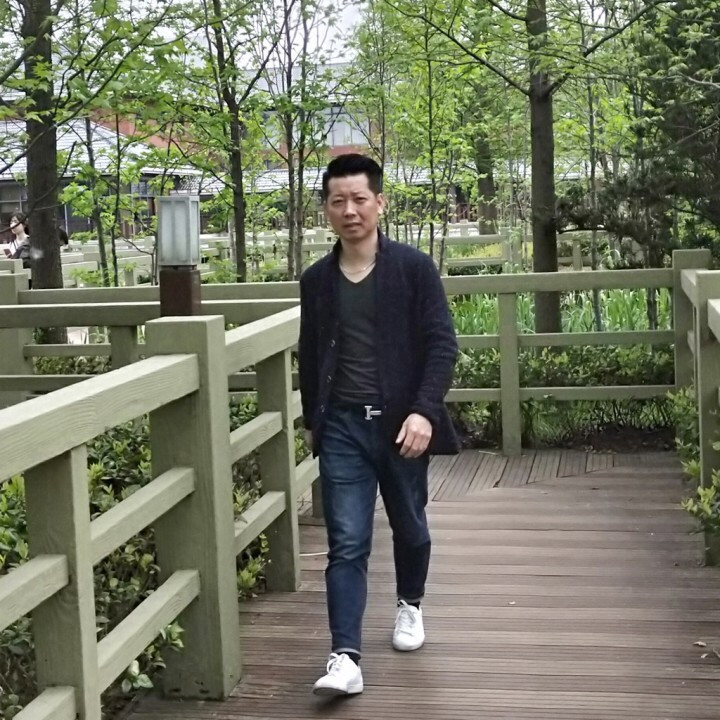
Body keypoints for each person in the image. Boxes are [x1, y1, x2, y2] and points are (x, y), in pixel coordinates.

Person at [298, 154, 459, 697]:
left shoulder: (413, 269)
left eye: (359, 199)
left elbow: (441, 345)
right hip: (342, 425)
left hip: (400, 423)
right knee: (346, 540)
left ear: (379, 203)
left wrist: (424, 410)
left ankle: (410, 603)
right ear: (326, 209)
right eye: (338, 201)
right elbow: (311, 353)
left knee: (410, 525)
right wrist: (314, 420)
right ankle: (344, 656)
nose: (350, 211)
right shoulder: (317, 280)